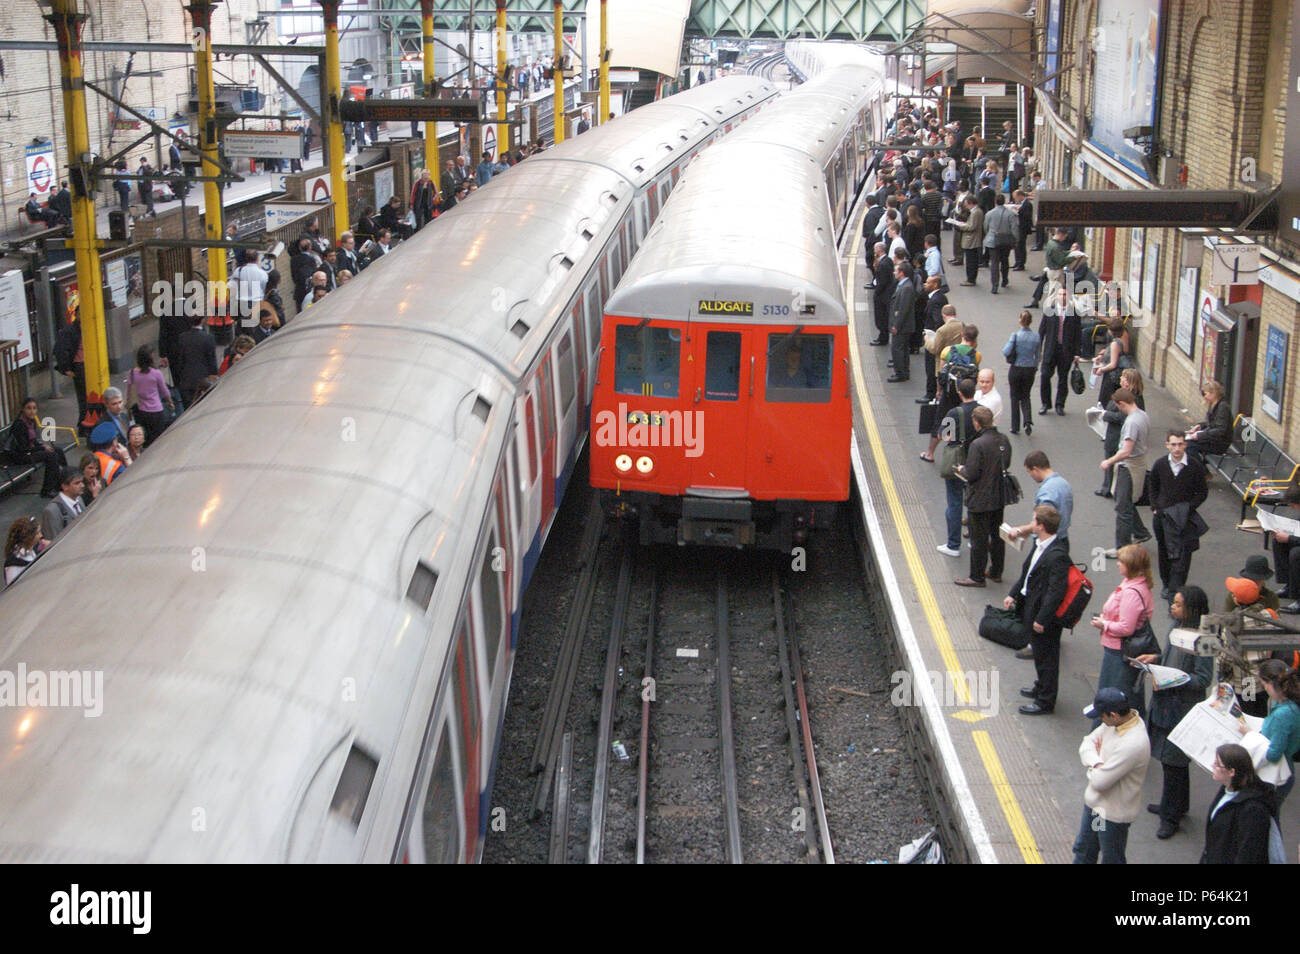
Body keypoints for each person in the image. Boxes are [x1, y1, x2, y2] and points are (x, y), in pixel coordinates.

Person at [1137, 586, 1214, 839]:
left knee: (1174, 762)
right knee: (1172, 764)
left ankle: (1171, 817)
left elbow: (1202, 679)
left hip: (1181, 710)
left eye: (1179, 604)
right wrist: (1156, 659)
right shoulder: (1175, 628)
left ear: (1191, 608)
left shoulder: (1205, 638)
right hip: (1164, 704)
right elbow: (1169, 657)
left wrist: (1174, 679)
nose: (1173, 607)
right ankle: (1176, 805)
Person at [1005, 504, 1070, 715]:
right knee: (1041, 654)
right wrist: (1013, 593)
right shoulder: (1041, 545)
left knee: (1047, 657)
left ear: (1041, 526)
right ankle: (1041, 687)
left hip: (1044, 616)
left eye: (1034, 521)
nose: (1031, 524)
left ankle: (1045, 700)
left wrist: (1042, 619)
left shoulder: (1057, 555)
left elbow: (1055, 592)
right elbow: (1028, 573)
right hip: (1031, 606)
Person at [1073, 688, 1151, 864]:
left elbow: (1100, 782)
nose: (1100, 719)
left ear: (1114, 715)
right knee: (1084, 850)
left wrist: (1093, 769)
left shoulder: (1133, 744)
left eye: (1102, 716)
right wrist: (1097, 764)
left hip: (1113, 816)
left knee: (1111, 858)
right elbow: (1087, 743)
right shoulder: (1115, 724)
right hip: (1096, 807)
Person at [1090, 544, 1155, 722]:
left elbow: (1127, 628)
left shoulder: (1132, 592)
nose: (1118, 564)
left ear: (1131, 565)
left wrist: (1105, 624)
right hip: (1119, 650)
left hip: (1120, 652)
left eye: (1121, 561)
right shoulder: (1132, 584)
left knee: (1112, 697)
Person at [1147, 430, 1210, 600]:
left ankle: (1177, 588)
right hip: (1163, 517)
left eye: (1180, 444)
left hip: (1183, 519)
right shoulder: (1160, 465)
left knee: (1183, 554)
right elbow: (1152, 486)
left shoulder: (1195, 466)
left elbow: (1202, 492)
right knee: (1165, 551)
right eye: (1173, 444)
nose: (1177, 448)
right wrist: (1155, 507)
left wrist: (1189, 508)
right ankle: (1167, 584)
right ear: (1167, 445)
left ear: (1185, 444)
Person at [954, 406, 1010, 588]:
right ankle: (996, 571)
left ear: (976, 423)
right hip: (998, 496)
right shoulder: (1004, 440)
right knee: (997, 536)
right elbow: (1006, 463)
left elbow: (972, 473)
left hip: (980, 499)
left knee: (979, 540)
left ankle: (976, 577)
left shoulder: (978, 445)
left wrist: (963, 470)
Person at [1201, 743, 1275, 864]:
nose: (1212, 766)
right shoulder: (1226, 789)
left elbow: (1249, 854)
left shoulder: (1254, 810)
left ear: (1231, 772)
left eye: (1217, 764)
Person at [1241, 659, 1300, 807]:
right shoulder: (1283, 704)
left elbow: (1273, 754)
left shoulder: (1283, 714)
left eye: (1264, 684)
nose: (1265, 688)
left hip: (1276, 775)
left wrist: (1250, 735)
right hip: (1280, 768)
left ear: (1272, 683)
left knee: (1268, 820)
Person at [1100, 389, 1151, 558]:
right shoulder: (1142, 415)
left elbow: (1126, 451)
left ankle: (1122, 547)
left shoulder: (1131, 423)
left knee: (1122, 506)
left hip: (1128, 467)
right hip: (1138, 463)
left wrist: (1109, 461)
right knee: (1125, 500)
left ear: (1121, 404)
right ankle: (1140, 531)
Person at [937, 378, 978, 558]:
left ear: (959, 393)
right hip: (976, 462)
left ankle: (953, 545)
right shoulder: (982, 411)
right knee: (972, 502)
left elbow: (942, 436)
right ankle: (974, 540)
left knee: (954, 502)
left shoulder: (954, 413)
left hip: (957, 463)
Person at [3, 397, 68, 499]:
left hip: (29, 452)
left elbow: (33, 442)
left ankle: (65, 481)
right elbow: (23, 448)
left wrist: (42, 446)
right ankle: (47, 490)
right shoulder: (20, 425)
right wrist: (41, 448)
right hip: (19, 456)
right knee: (51, 456)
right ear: (23, 410)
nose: (32, 411)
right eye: (29, 408)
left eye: (34, 408)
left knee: (57, 450)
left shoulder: (31, 422)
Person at [1096, 368, 1144, 497]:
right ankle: (1108, 487)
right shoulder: (1124, 393)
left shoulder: (1133, 400)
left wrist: (1106, 415)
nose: (1121, 379)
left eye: (1124, 377)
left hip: (1118, 435)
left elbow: (1121, 417)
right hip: (1113, 433)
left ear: (1129, 382)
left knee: (1112, 461)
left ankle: (1109, 488)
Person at [1037, 285, 1081, 415]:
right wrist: (1038, 350)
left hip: (1066, 350)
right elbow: (1041, 331)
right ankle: (1045, 403)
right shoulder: (1049, 311)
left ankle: (1060, 404)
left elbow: (1078, 334)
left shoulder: (1074, 313)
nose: (1062, 297)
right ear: (1056, 297)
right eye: (1060, 294)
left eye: (1065, 295)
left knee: (1063, 378)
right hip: (1050, 349)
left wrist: (1077, 353)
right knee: (1045, 376)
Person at [1002, 310, 1040, 435]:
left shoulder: (1016, 336)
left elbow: (1006, 351)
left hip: (1016, 368)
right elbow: (1038, 355)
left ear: (1020, 320)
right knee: (1025, 396)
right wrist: (1034, 367)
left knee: (1014, 397)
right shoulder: (1036, 336)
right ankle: (1028, 421)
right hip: (1029, 369)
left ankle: (1015, 426)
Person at [53, 310, 87, 433]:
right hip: (80, 366)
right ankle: (84, 426)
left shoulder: (92, 326)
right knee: (84, 399)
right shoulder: (70, 331)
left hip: (92, 364)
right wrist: (66, 369)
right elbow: (60, 350)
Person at [175, 314, 218, 409]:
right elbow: (211, 360)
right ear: (202, 321)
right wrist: (214, 375)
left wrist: (181, 375)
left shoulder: (182, 337)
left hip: (187, 379)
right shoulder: (208, 338)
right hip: (203, 379)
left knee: (189, 407)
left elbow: (180, 359)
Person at [1185, 379, 1233, 463]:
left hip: (1219, 443)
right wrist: (1200, 426)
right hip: (1212, 439)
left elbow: (1220, 430)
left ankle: (1202, 472)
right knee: (1187, 444)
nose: (1204, 396)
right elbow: (1211, 423)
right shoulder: (1213, 404)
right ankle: (1200, 470)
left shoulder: (1222, 407)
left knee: (1190, 447)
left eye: (1205, 394)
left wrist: (1199, 436)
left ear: (1213, 393)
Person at [918, 274, 948, 401]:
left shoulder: (936, 300)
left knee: (930, 367)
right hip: (933, 336)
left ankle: (930, 393)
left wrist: (932, 336)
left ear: (935, 284)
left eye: (928, 282)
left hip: (932, 339)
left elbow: (938, 321)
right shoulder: (938, 297)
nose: (925, 284)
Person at [981, 193, 1018, 294]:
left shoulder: (989, 214)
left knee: (994, 263)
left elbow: (985, 227)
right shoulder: (1010, 214)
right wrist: (1015, 240)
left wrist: (989, 235)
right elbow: (1014, 228)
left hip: (993, 240)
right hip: (1006, 240)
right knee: (1005, 260)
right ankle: (1005, 279)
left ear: (995, 202)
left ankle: (994, 285)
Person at [1092, 317, 1133, 410]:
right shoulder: (1117, 342)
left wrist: (1101, 369)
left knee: (1106, 402)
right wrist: (1102, 357)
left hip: (1111, 377)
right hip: (1113, 376)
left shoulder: (1115, 344)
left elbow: (1113, 364)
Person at [886, 262, 917, 383]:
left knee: (898, 349)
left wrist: (896, 326)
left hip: (902, 326)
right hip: (903, 325)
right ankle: (903, 371)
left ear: (901, 273)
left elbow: (903, 309)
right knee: (901, 349)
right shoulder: (904, 285)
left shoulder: (907, 288)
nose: (894, 273)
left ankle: (900, 373)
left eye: (896, 271)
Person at [1026, 227, 1071, 308]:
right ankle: (1050, 309)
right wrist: (1072, 256)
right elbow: (1061, 261)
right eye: (1064, 237)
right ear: (1061, 235)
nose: (1064, 239)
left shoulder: (1051, 243)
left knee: (1049, 287)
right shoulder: (1055, 246)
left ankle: (1036, 301)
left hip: (1050, 269)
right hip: (1055, 271)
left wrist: (1069, 252)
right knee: (1054, 292)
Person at [39, 466, 86, 542]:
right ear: (65, 486)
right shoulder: (52, 511)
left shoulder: (79, 499)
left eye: (82, 482)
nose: (82, 486)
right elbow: (52, 542)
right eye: (77, 483)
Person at [947, 195, 984, 286]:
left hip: (971, 239)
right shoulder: (976, 211)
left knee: (971, 261)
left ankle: (970, 279)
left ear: (971, 204)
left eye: (967, 205)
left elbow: (971, 226)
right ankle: (971, 278)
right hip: (972, 239)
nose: (966, 207)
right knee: (972, 260)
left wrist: (961, 225)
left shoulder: (975, 213)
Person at [3, 517, 44, 586]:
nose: (41, 535)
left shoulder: (34, 549)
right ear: (28, 537)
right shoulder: (13, 564)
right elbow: (13, 588)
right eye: (37, 533)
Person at [89, 420, 132, 486]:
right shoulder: (117, 466)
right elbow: (132, 481)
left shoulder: (89, 458)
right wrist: (127, 458)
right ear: (114, 442)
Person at [868, 242, 894, 347]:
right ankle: (882, 337)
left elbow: (882, 281)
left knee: (881, 317)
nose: (874, 250)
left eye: (875, 248)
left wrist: (876, 292)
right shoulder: (887, 260)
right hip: (885, 294)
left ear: (879, 249)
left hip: (882, 296)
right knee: (883, 317)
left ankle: (882, 338)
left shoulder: (883, 264)